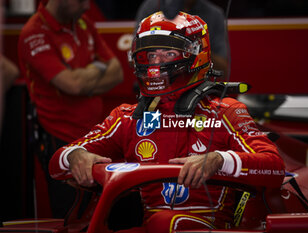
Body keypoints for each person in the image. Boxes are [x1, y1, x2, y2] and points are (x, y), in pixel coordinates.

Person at [49, 11, 285, 232]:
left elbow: (274, 168)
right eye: (151, 55)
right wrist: (74, 156)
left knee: (164, 223)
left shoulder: (225, 112)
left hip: (211, 227)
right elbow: (56, 166)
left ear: (195, 54)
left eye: (169, 53)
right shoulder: (127, 117)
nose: (156, 64)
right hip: (154, 225)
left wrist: (219, 160)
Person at [17, 0, 123, 218]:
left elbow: (118, 72)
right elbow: (72, 85)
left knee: (103, 216)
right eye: (82, 0)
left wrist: (86, 84)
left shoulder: (83, 22)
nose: (87, 6)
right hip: (59, 141)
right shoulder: (34, 33)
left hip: (96, 137)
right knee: (71, 216)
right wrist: (98, 68)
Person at [135, 0, 228, 78]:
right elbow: (133, 58)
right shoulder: (152, 6)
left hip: (196, 86)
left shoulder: (214, 14)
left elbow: (223, 69)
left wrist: (198, 49)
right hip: (156, 82)